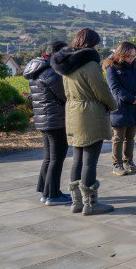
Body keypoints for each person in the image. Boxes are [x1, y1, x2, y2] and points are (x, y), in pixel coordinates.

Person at [51, 28, 118, 216]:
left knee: (77, 159)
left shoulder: (65, 65)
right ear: (91, 44)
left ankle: (77, 202)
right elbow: (101, 90)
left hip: (72, 112)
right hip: (89, 114)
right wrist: (113, 105)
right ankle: (91, 203)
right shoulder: (89, 64)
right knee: (90, 161)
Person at [23, 40, 71, 206]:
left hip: (44, 119)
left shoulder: (38, 69)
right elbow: (65, 95)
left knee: (49, 157)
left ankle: (44, 190)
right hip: (55, 119)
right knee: (57, 157)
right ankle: (53, 194)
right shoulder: (50, 72)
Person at [104, 41, 136, 176]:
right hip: (120, 108)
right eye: (129, 56)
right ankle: (117, 164)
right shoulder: (112, 68)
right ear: (121, 54)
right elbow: (115, 88)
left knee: (130, 138)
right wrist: (131, 98)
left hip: (134, 107)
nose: (132, 59)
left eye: (134, 56)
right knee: (118, 138)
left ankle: (129, 162)